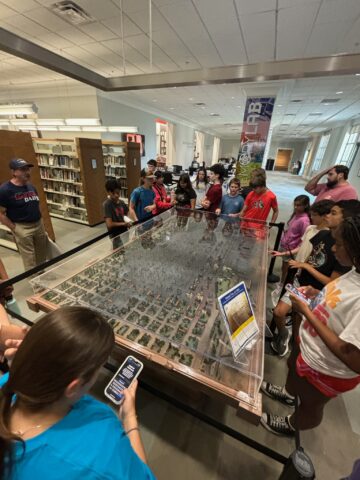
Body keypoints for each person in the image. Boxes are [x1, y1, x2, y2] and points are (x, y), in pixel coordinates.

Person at [0, 306, 155, 479]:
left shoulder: (7, 383)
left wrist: (23, 368)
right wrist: (129, 418)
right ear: (73, 387)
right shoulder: (102, 444)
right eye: (99, 368)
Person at [261, 215, 360, 436]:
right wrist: (317, 296)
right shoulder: (354, 272)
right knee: (296, 384)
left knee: (311, 404)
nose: (333, 249)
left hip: (326, 369)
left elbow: (355, 358)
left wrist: (306, 311)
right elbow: (338, 303)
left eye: (340, 244)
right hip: (310, 351)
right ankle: (288, 394)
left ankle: (291, 426)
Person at [271, 200, 357, 357]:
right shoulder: (322, 234)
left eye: (333, 213)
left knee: (300, 319)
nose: (327, 216)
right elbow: (312, 258)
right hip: (302, 284)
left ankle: (295, 346)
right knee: (279, 312)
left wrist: (306, 267)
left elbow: (332, 282)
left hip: (316, 290)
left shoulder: (345, 253)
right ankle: (284, 335)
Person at [0, 158, 47, 271]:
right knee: (29, 258)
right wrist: (14, 228)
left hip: (38, 224)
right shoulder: (5, 190)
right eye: (22, 169)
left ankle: (42, 275)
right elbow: (1, 213)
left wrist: (40, 219)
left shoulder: (31, 186)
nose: (27, 172)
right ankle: (35, 284)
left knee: (41, 253)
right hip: (22, 227)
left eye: (27, 169)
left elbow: (36, 203)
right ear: (13, 172)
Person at [271, 195, 311, 284]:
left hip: (291, 249)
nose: (296, 207)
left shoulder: (305, 221)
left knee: (287, 270)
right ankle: (282, 282)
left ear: (305, 205)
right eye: (295, 205)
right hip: (285, 245)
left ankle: (282, 285)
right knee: (283, 268)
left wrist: (292, 251)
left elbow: (303, 240)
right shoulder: (296, 214)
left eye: (299, 205)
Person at [103, 179, 131, 250]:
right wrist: (123, 224)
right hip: (115, 235)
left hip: (124, 232)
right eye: (114, 193)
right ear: (108, 192)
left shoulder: (121, 202)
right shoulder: (107, 204)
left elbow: (127, 212)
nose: (116, 195)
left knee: (126, 249)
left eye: (118, 193)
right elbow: (109, 224)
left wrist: (127, 220)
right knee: (119, 253)